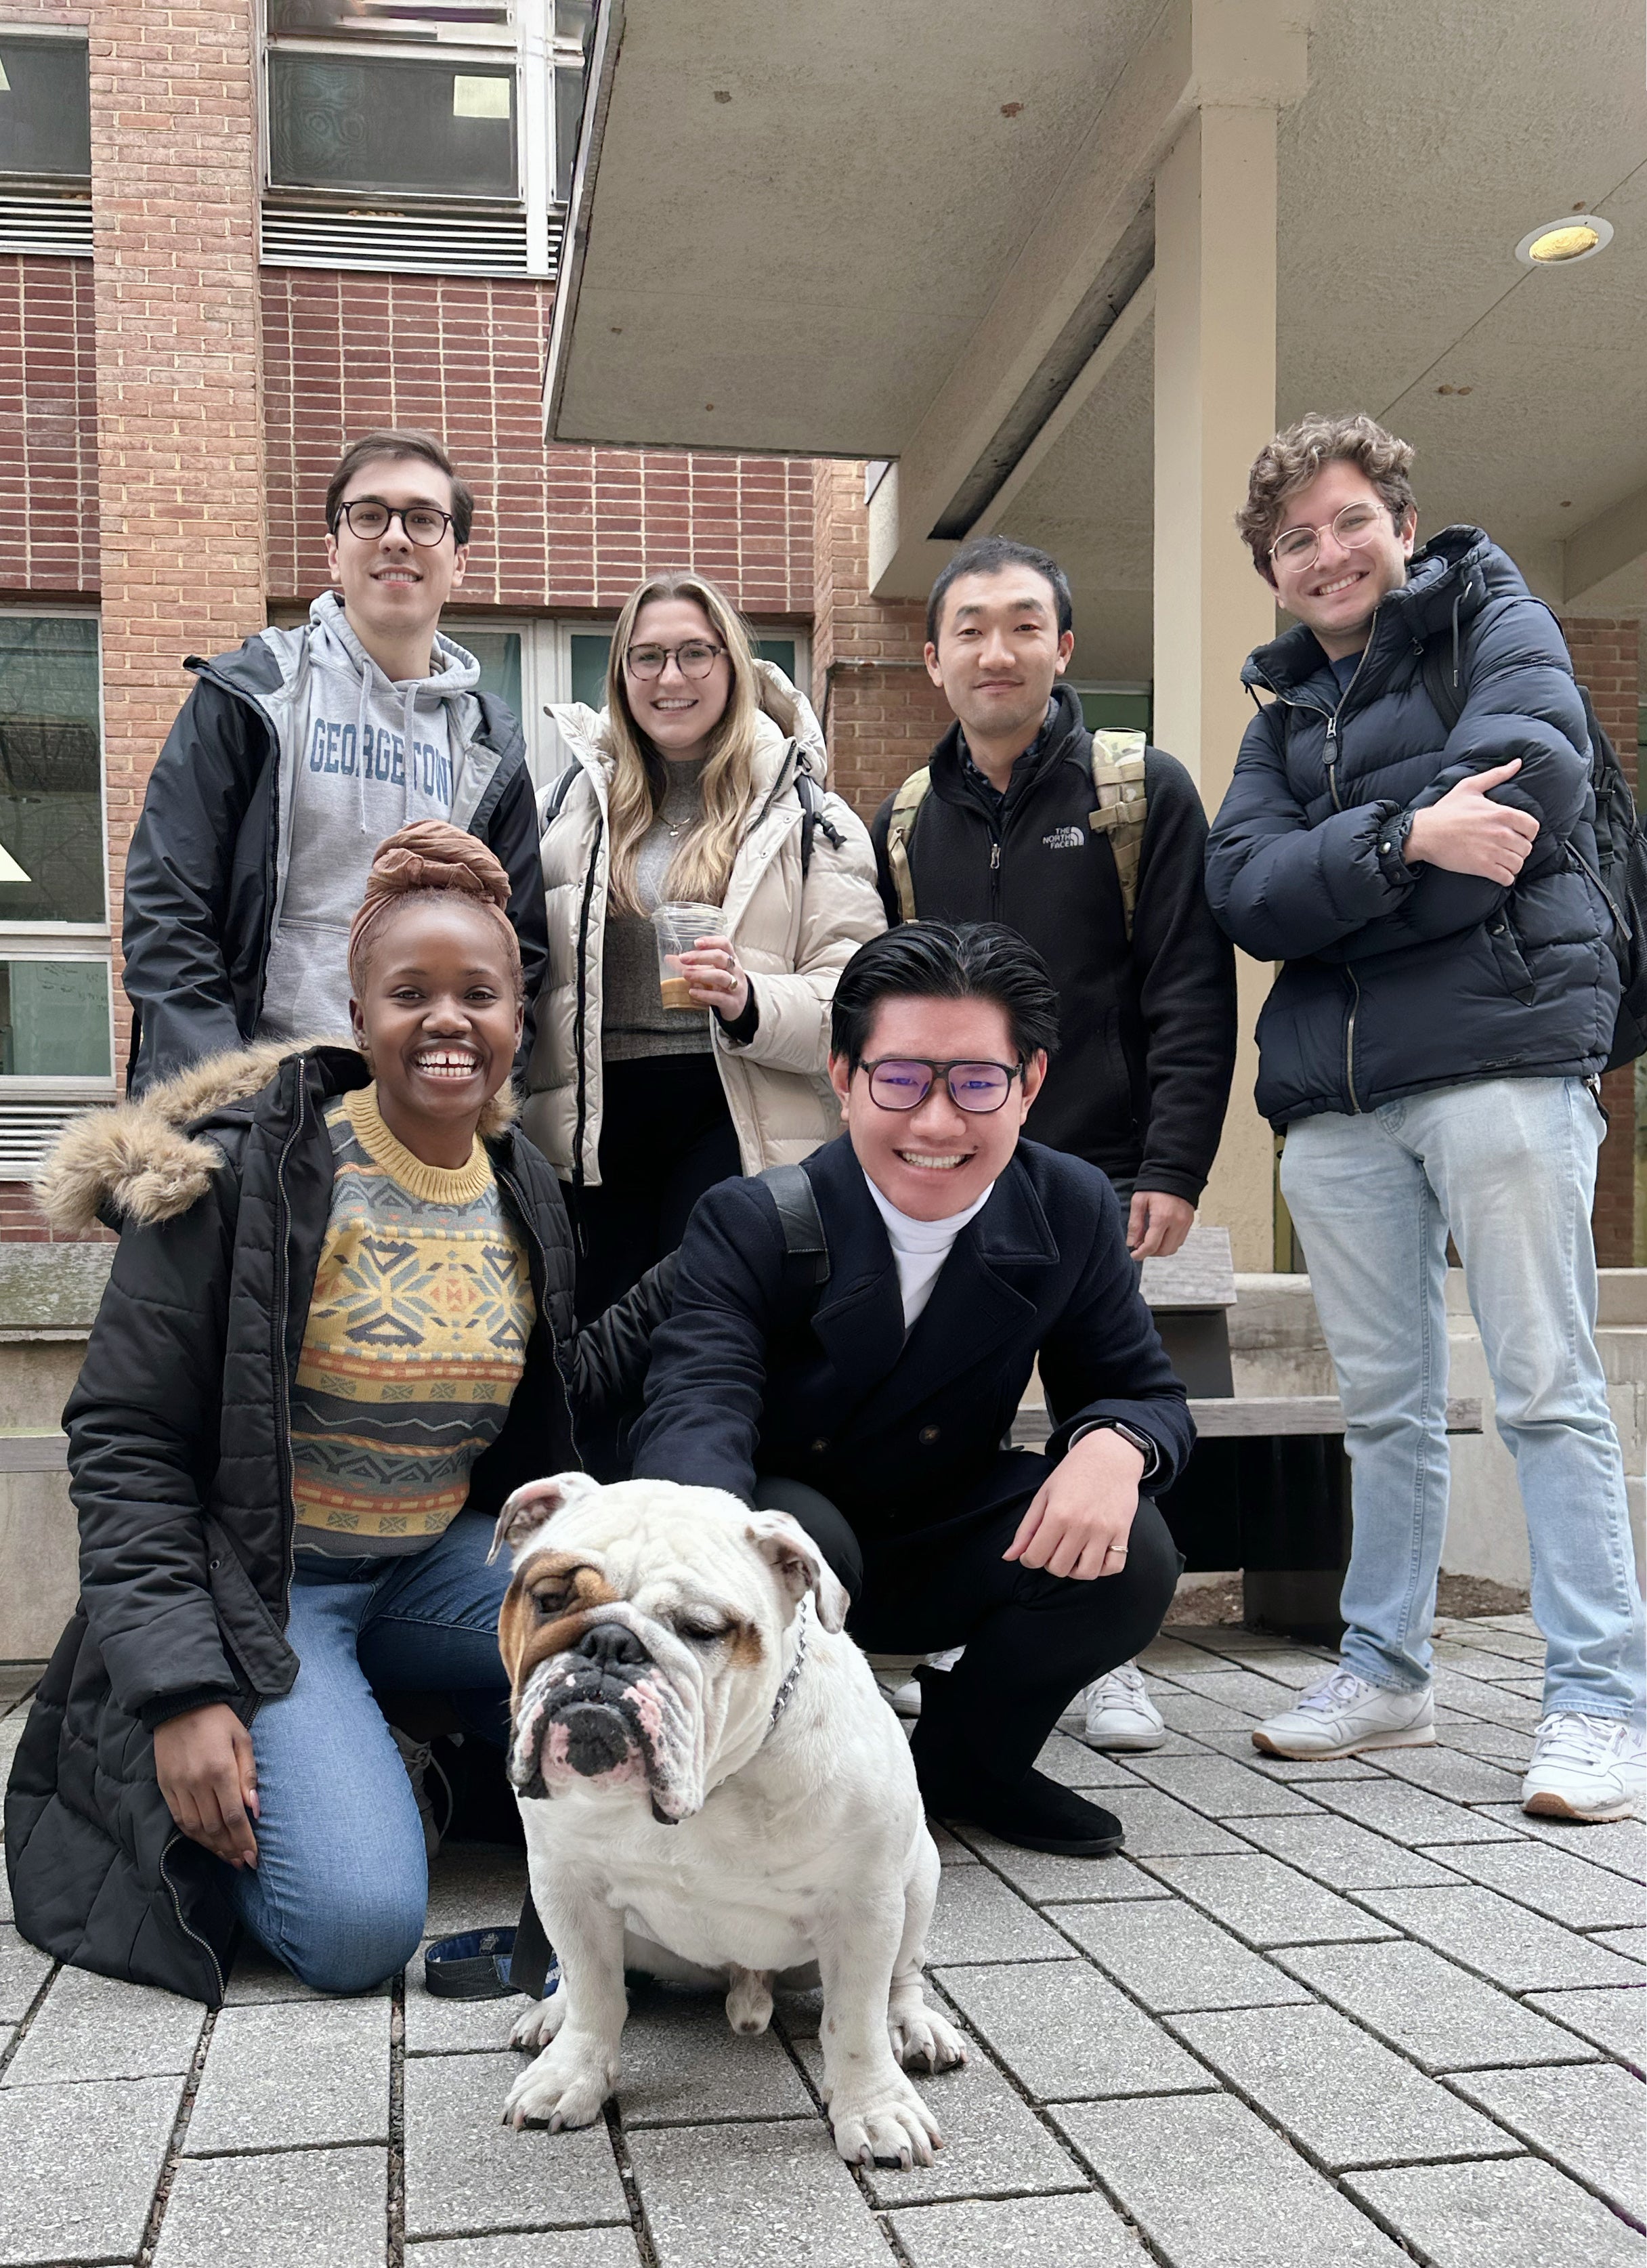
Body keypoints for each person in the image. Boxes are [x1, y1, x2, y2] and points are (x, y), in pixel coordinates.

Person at [5, 824, 670, 2001]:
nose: (449, 1019)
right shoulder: (243, 1178)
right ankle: (348, 1763)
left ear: (523, 1016)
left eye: (481, 992)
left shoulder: (524, 1189)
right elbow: (125, 1444)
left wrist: (719, 1268)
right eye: (410, 992)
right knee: (358, 1928)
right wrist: (180, 1691)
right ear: (358, 1015)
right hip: (267, 1585)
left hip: (430, 1567)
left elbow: (554, 1395)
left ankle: (416, 1746)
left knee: (653, 1627)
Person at [1206, 410, 1645, 1821]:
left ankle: (1596, 1703)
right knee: (1384, 1408)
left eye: (1347, 522)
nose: (1325, 554)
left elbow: (1515, 806)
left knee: (1546, 1391)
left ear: (1398, 521)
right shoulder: (1278, 718)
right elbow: (1243, 893)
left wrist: (1347, 889)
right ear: (1270, 569)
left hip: (1505, 1062)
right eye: (1293, 540)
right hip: (1338, 1104)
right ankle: (1386, 1670)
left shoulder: (1497, 629)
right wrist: (1406, 838)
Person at [629, 922, 1193, 1858]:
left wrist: (1114, 1445)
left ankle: (971, 1767)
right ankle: (779, 1788)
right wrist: (701, 1556)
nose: (938, 1122)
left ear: (1031, 1083)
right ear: (844, 1076)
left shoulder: (1070, 1205)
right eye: (900, 1078)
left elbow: (1141, 1387)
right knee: (803, 1532)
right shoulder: (755, 1218)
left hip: (943, 1531)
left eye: (977, 1081)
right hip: (789, 1543)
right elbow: (699, 1406)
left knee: (1135, 1547)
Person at [867, 534, 1237, 1753]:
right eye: (969, 628)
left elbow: (1186, 981)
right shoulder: (908, 816)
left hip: (1103, 1167)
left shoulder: (1136, 791)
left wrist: (1172, 1164)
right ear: (932, 659)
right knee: (963, 1402)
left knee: (1100, 1401)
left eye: (1023, 624)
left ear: (1062, 648)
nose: (996, 649)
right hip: (953, 1167)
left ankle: (1105, 1645)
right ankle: (984, 1615)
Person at [121, 427, 547, 1094]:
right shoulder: (252, 694)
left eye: (424, 519)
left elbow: (520, 955)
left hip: (419, 1113)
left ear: (458, 559)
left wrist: (476, 1099)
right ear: (334, 549)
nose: (396, 537)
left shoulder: (488, 749)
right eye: (370, 515)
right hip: (256, 1102)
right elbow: (169, 909)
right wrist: (219, 1095)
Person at [523, 570, 884, 1325]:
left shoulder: (807, 812)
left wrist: (750, 999)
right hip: (594, 1119)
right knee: (601, 1349)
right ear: (620, 676)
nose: (671, 677)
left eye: (695, 653)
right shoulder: (568, 809)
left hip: (730, 1107)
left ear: (732, 665)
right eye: (646, 657)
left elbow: (860, 1004)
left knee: (704, 1337)